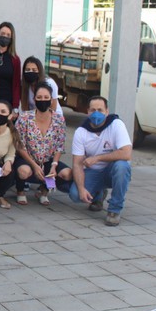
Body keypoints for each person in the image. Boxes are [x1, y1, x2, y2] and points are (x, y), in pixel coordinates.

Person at [67, 96, 132, 226]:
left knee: (122, 166)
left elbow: (126, 153)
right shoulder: (81, 132)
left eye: (100, 110)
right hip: (94, 172)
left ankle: (114, 209)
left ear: (107, 112)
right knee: (75, 195)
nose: (96, 113)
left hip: (111, 171)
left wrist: (98, 158)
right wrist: (81, 189)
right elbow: (77, 163)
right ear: (87, 112)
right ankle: (98, 195)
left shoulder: (116, 125)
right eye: (93, 110)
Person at [14, 83, 72, 206]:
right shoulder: (25, 118)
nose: (43, 100)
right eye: (39, 97)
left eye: (46, 97)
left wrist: (54, 165)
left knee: (67, 174)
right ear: (34, 99)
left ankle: (44, 190)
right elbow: (19, 146)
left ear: (51, 99)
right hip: (28, 159)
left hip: (48, 159)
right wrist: (34, 165)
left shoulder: (59, 119)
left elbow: (59, 145)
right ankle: (20, 191)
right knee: (23, 171)